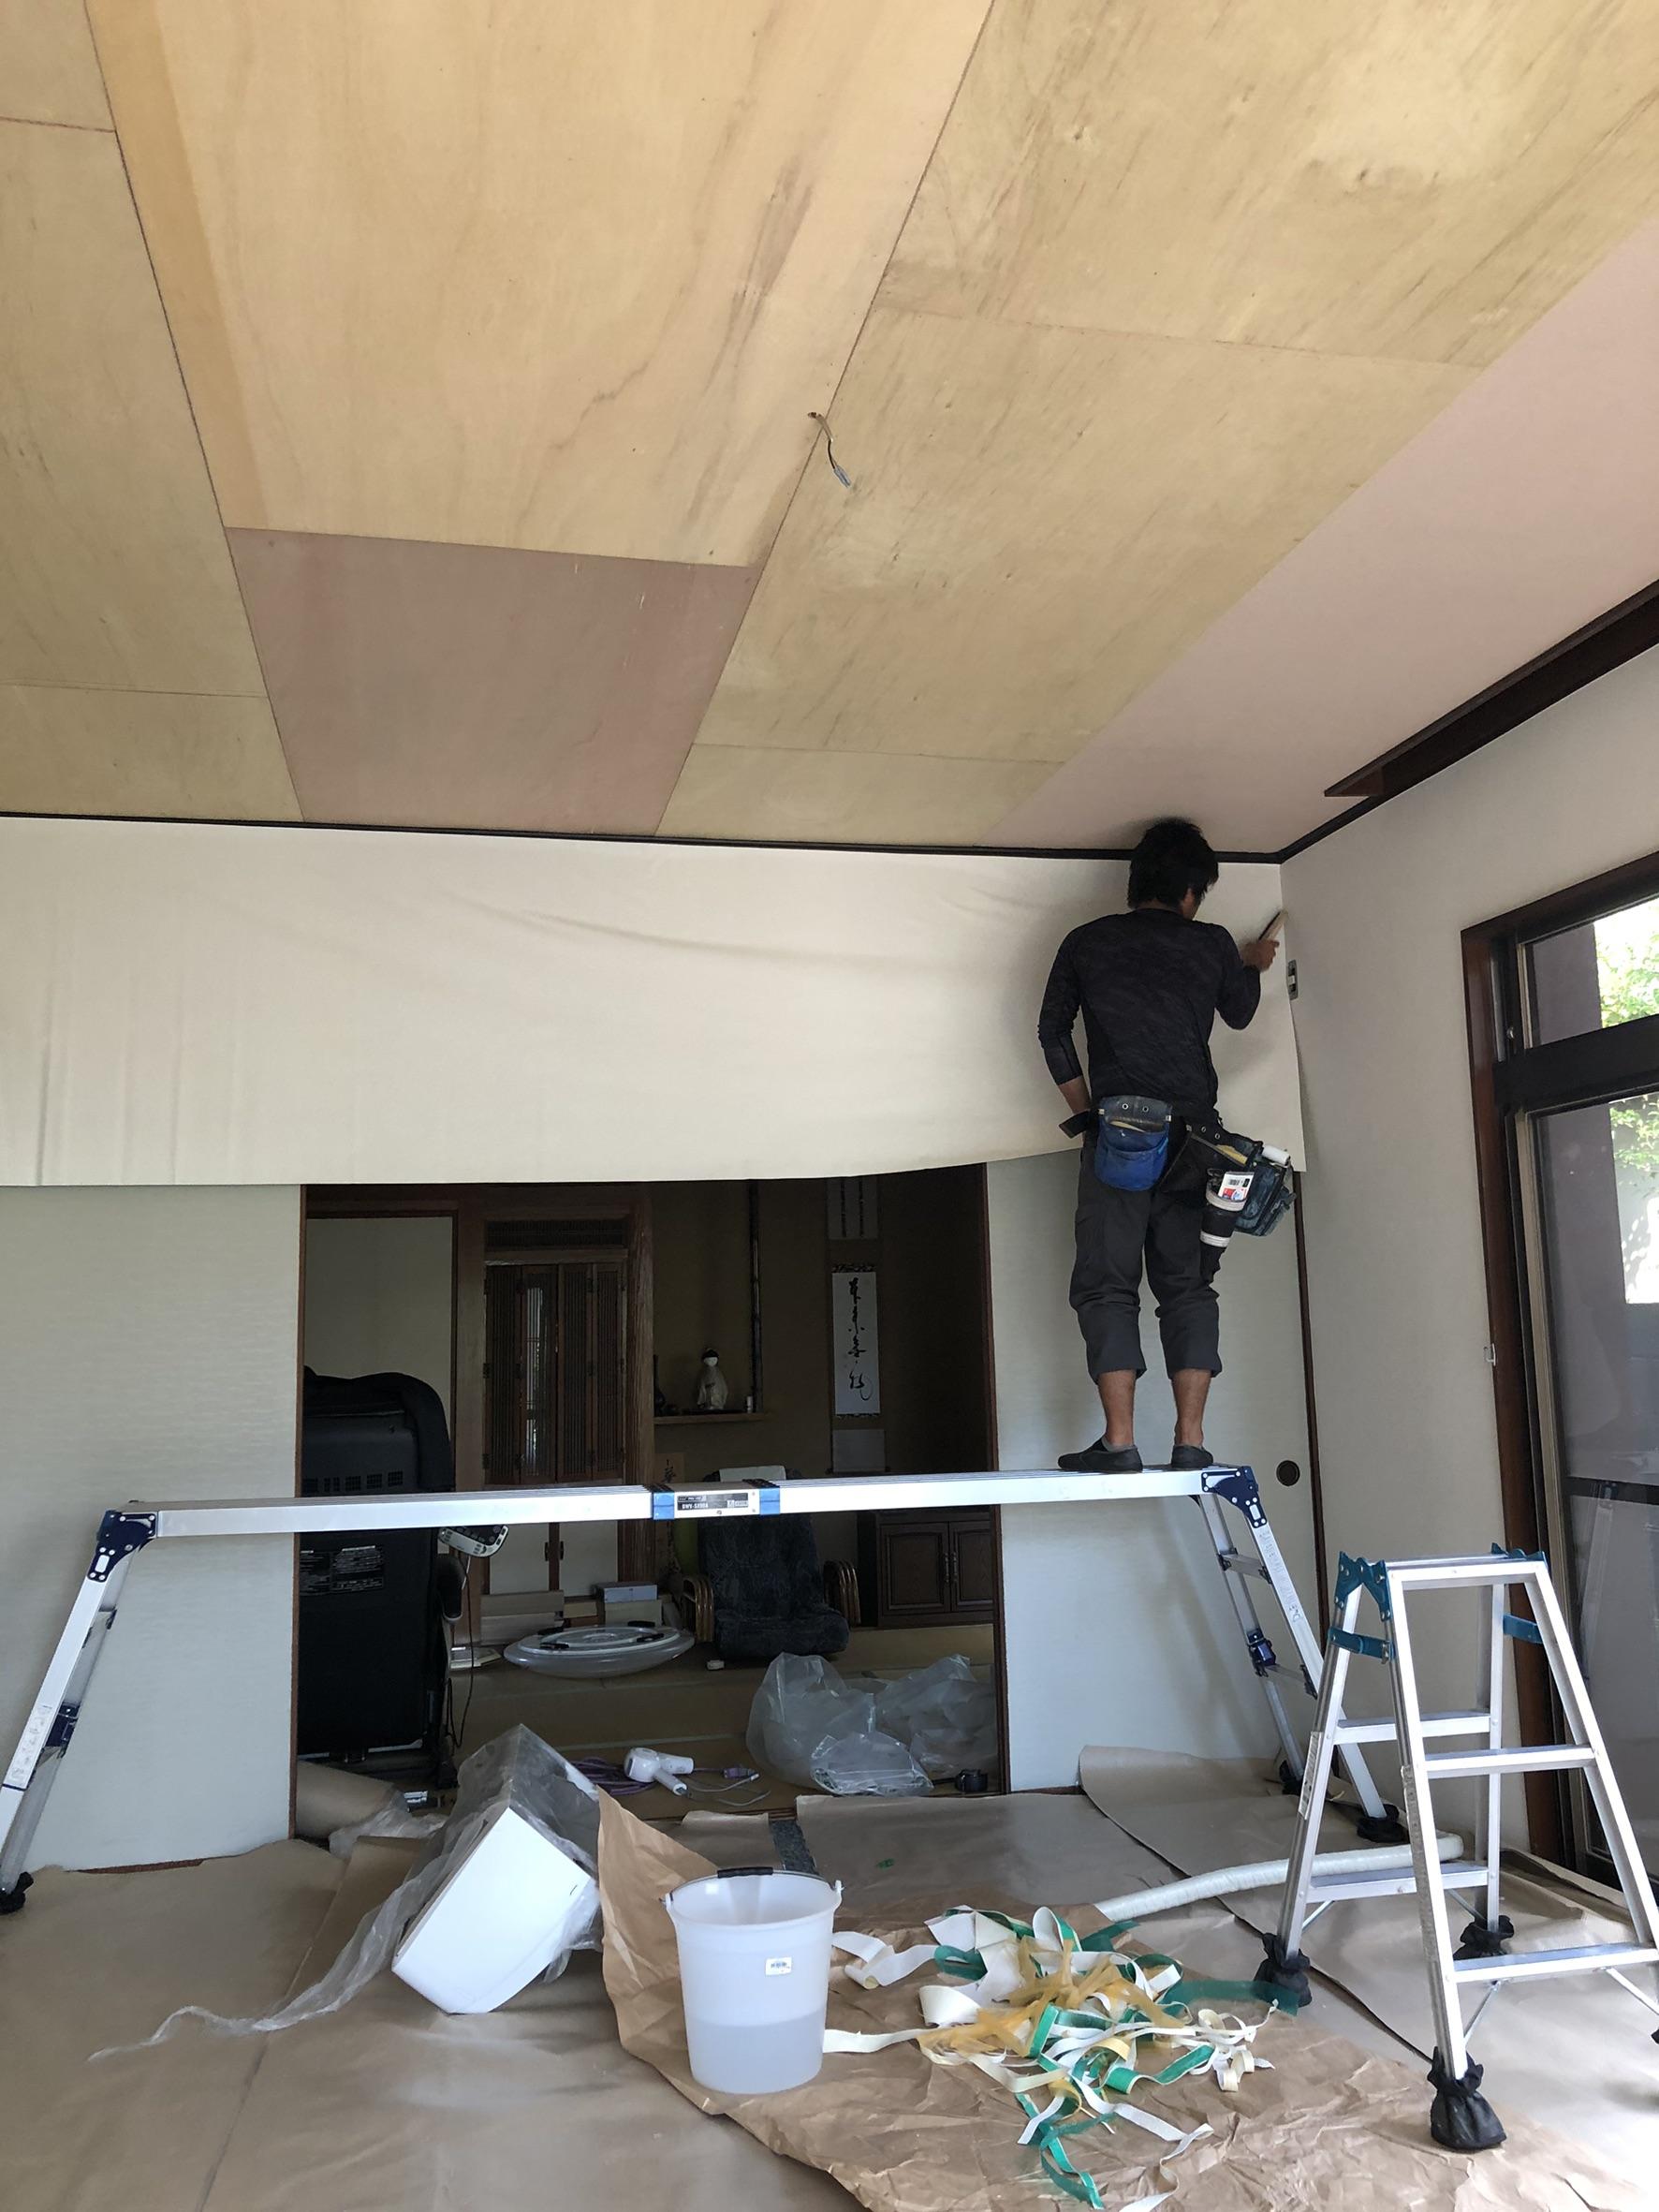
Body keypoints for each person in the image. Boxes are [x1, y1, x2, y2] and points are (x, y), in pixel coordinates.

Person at [1037, 818, 1280, 1473]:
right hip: (1198, 1142)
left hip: (1120, 1136)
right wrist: (1252, 964)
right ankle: (1190, 1441)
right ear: (1192, 891)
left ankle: (1119, 1442)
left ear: (1135, 881)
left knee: (1107, 1284)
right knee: (1189, 1286)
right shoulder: (1211, 945)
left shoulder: (1087, 941)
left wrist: (1086, 1114)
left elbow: (1052, 1031)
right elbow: (1239, 1012)